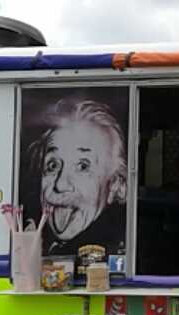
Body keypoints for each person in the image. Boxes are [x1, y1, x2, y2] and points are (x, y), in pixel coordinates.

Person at [26, 99, 127, 256]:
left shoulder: (119, 249)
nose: (60, 184)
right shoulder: (31, 237)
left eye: (83, 166)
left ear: (114, 185)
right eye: (52, 165)